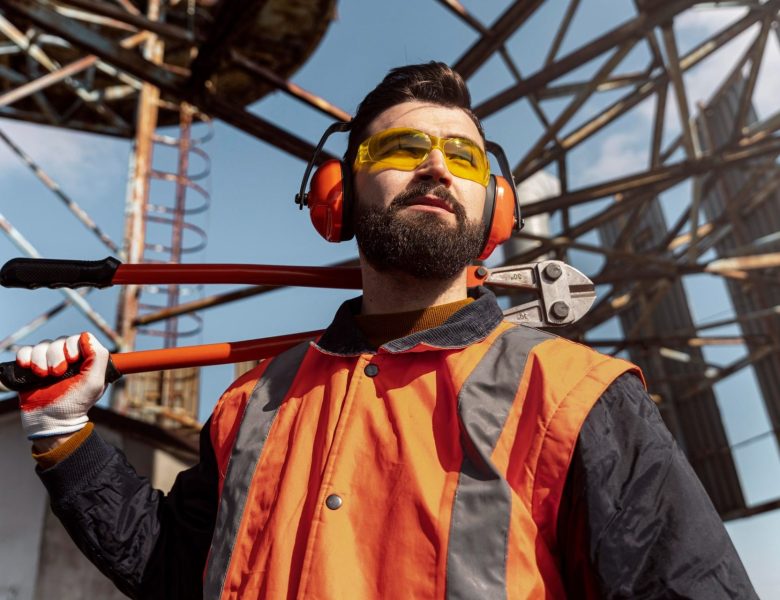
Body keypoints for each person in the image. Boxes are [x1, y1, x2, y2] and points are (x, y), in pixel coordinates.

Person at [17, 62, 756, 599]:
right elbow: (174, 574)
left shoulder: (578, 397)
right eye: (401, 150)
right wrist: (63, 435)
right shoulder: (251, 406)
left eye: (462, 156)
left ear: (494, 209)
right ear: (337, 200)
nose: (435, 165)